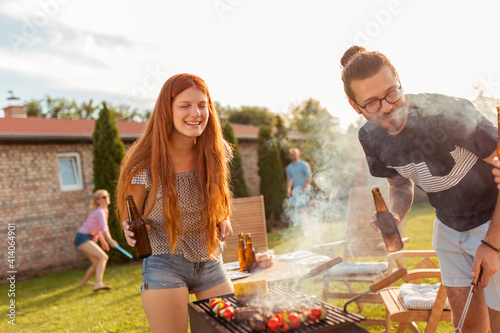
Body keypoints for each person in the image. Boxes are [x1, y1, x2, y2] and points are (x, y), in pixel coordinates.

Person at [340, 45, 500, 332]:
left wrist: (492, 242)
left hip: (493, 219)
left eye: (392, 92)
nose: (387, 106)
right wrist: (397, 216)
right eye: (372, 103)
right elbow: (400, 183)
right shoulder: (371, 138)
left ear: (400, 80)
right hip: (448, 229)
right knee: (467, 326)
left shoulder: (449, 113)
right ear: (355, 106)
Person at [116, 73, 234, 333]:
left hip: (209, 257)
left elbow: (218, 203)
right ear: (166, 112)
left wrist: (222, 219)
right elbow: (130, 220)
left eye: (202, 105)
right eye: (185, 106)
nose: (196, 113)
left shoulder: (216, 151)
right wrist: (130, 232)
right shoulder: (143, 165)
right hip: (163, 260)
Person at [74, 189, 118, 292]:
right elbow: (104, 228)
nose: (106, 198)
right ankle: (98, 284)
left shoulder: (104, 211)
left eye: (107, 196)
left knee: (96, 261)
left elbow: (98, 229)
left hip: (86, 237)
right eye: (103, 197)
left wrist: (103, 241)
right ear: (98, 200)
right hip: (82, 238)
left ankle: (85, 282)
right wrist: (110, 240)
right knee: (103, 257)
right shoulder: (100, 212)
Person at [286, 148, 312, 213]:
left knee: (306, 208)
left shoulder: (304, 165)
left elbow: (309, 177)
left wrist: (305, 187)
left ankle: (307, 223)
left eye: (294, 154)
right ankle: (302, 222)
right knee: (298, 209)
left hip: (305, 189)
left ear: (298, 155)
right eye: (291, 154)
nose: (293, 156)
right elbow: (289, 180)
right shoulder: (289, 168)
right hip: (296, 191)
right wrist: (288, 191)